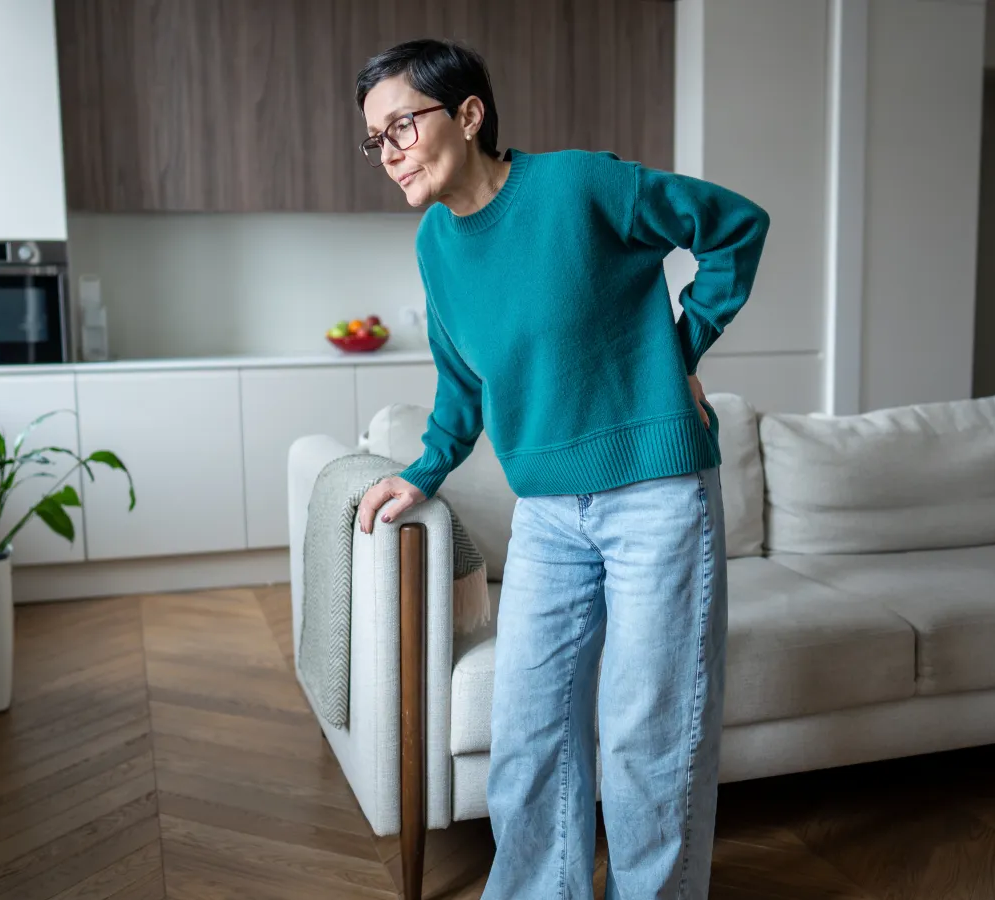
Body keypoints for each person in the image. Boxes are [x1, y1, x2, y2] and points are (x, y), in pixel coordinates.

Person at [354, 38, 769, 900]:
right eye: (375, 139)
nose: (389, 153)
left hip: (657, 497)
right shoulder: (437, 243)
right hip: (548, 511)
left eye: (400, 127)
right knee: (530, 731)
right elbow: (462, 377)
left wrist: (682, 347)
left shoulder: (580, 185)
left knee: (645, 737)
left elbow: (735, 227)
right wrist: (424, 468)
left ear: (468, 115)